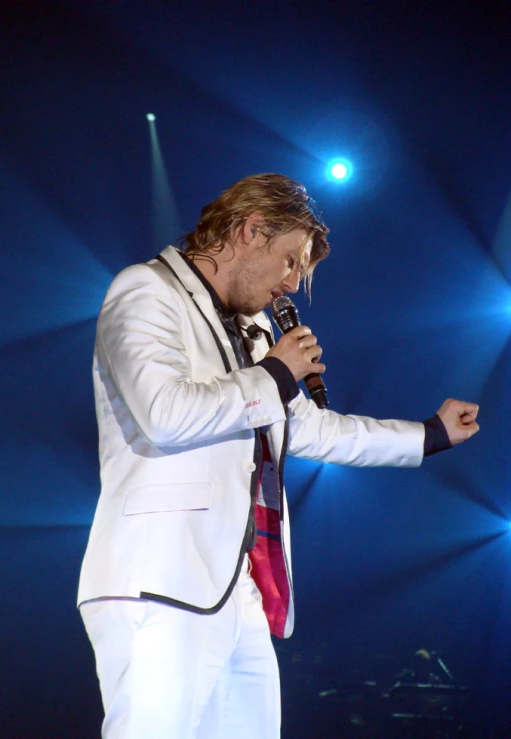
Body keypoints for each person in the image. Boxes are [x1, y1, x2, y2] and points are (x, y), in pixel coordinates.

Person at [78, 173, 479, 738]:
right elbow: (163, 413)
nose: (291, 284)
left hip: (237, 590)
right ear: (249, 231)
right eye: (290, 262)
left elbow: (311, 431)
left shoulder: (253, 330)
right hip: (160, 580)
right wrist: (274, 373)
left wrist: (428, 434)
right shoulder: (145, 291)